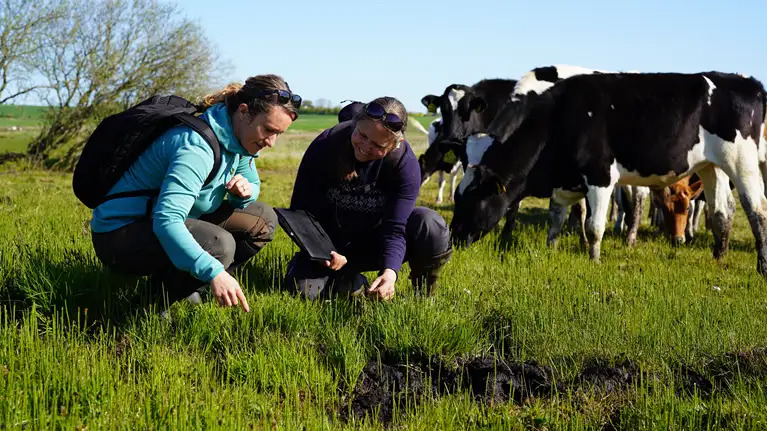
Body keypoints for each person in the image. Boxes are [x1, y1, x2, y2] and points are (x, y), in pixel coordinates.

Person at [90, 74, 301, 312]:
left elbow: (252, 181)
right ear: (243, 111)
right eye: (268, 130)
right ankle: (149, 306)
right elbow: (167, 221)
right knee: (220, 245)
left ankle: (189, 285)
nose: (271, 142)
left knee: (263, 218)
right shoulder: (196, 148)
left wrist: (244, 192)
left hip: (163, 221)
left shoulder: (238, 140)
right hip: (120, 234)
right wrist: (214, 271)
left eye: (278, 134)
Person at [284, 97, 452, 300]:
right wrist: (323, 250)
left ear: (397, 144)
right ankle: (345, 279)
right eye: (362, 135)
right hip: (330, 246)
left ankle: (424, 294)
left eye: (377, 145)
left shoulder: (404, 165)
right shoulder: (326, 145)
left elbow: (395, 228)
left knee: (429, 224)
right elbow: (300, 212)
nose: (364, 146)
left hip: (374, 243)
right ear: (355, 123)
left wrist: (390, 272)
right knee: (304, 292)